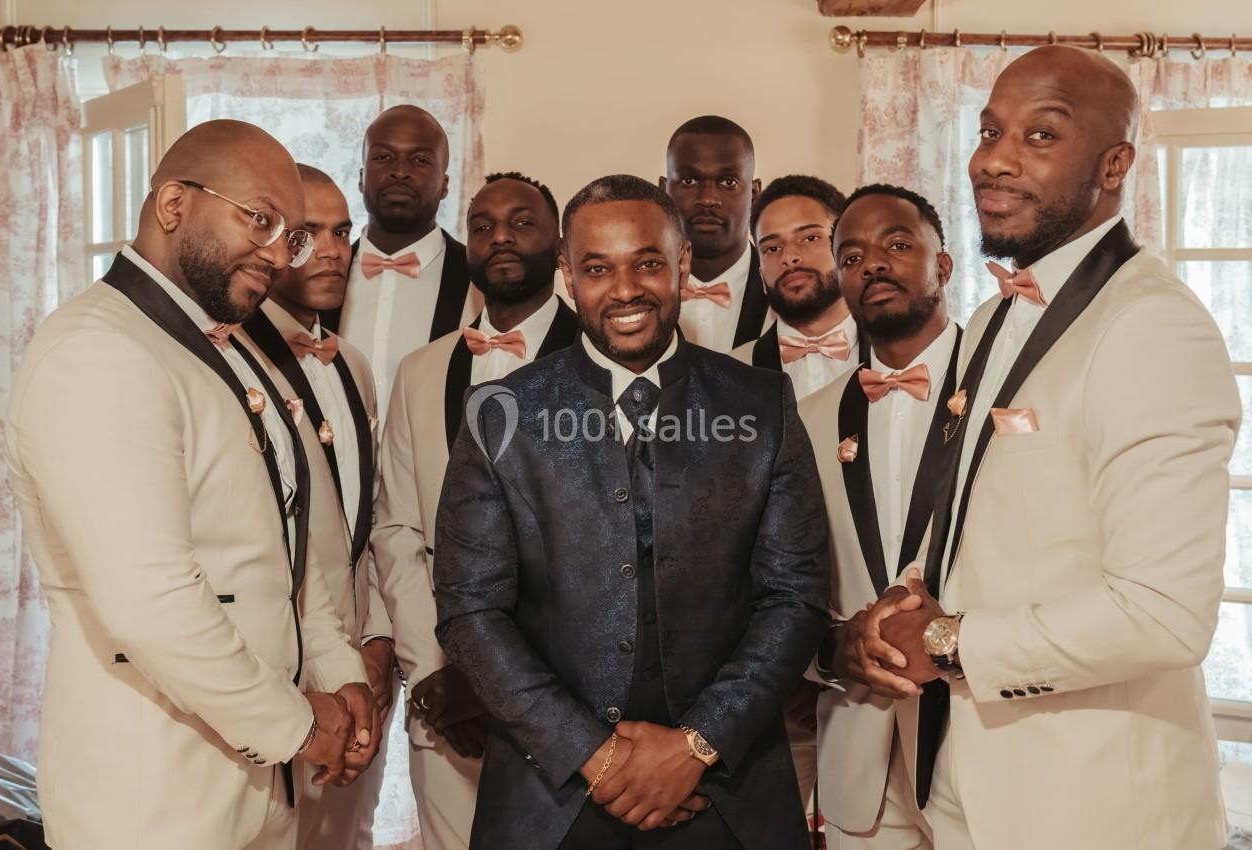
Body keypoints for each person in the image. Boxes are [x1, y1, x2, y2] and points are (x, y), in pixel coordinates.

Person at [851, 45, 1239, 850]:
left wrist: (948, 641)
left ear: (1114, 163)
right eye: (990, 131)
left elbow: (1165, 616)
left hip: (1094, 805)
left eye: (1040, 136)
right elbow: (989, 522)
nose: (994, 159)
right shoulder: (994, 319)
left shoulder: (1151, 325)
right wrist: (901, 612)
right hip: (962, 782)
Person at [4, 120, 378, 850]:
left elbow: (284, 548)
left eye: (291, 235)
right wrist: (298, 724)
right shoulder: (96, 353)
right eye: (262, 220)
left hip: (257, 785)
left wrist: (339, 670)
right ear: (173, 205)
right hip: (153, 797)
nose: (279, 255)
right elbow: (153, 602)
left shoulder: (235, 351)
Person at [433, 174, 830, 849]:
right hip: (549, 796)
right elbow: (470, 610)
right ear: (566, 273)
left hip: (728, 793)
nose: (624, 290)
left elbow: (796, 596)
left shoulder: (762, 404)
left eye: (647, 262)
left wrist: (697, 745)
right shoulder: (500, 413)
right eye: (597, 268)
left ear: (680, 265)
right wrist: (595, 755)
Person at [372, 171, 578, 850]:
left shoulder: (604, 362)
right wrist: (435, 665)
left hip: (566, 701)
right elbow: (397, 529)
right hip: (444, 699)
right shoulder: (420, 371)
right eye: (484, 225)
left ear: (559, 245)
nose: (500, 237)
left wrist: (506, 683)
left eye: (522, 222)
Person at [235, 164, 395, 850]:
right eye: (306, 234)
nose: (331, 250)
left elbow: (368, 516)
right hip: (279, 658)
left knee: (347, 836)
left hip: (358, 657)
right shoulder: (236, 358)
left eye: (341, 231)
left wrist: (381, 635)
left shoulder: (353, 363)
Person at [798, 184, 961, 849]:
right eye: (853, 255)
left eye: (897, 244)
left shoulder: (1006, 394)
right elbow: (789, 586)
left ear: (943, 266)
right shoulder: (809, 422)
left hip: (980, 745)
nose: (874, 266)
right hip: (859, 755)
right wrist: (830, 652)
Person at [329, 105, 478, 416]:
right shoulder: (322, 272)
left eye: (420, 160)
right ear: (360, 177)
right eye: (383, 157)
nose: (400, 171)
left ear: (446, 184)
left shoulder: (479, 280)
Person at [735, 175, 858, 401]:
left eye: (809, 238)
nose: (789, 257)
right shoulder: (729, 374)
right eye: (772, 248)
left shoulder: (901, 360)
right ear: (761, 274)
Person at [660, 115, 769, 351]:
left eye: (728, 182)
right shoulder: (635, 288)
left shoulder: (786, 287)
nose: (707, 199)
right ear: (663, 191)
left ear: (754, 193)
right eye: (688, 180)